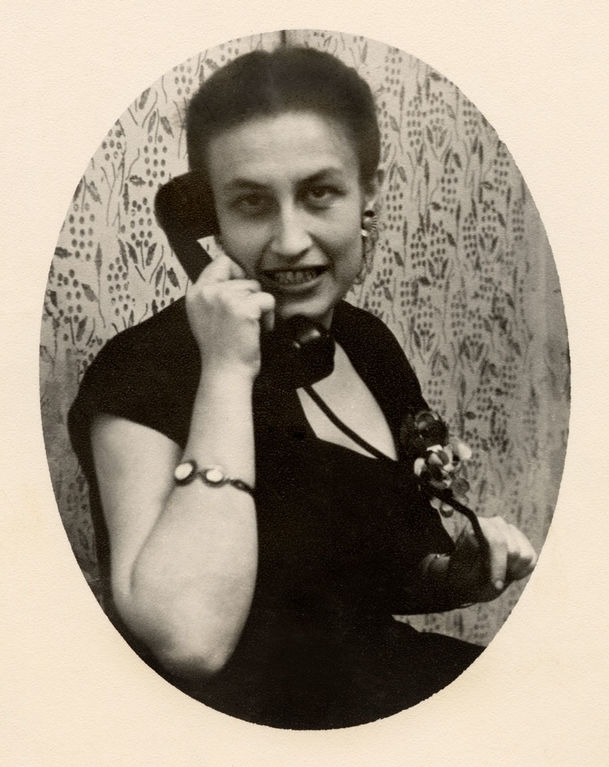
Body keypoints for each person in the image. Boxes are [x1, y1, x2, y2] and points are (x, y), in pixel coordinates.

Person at [69, 46, 537, 729]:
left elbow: (360, 582)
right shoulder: (141, 368)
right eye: (251, 202)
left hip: (373, 691)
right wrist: (226, 370)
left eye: (319, 193)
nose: (290, 240)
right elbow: (190, 642)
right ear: (209, 215)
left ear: (368, 193)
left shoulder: (366, 343)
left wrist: (454, 576)